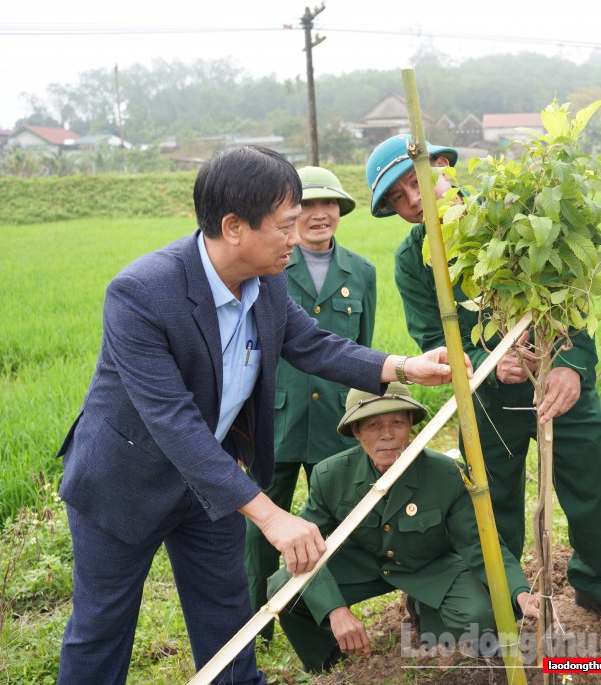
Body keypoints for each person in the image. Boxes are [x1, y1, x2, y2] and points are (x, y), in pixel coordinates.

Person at [55, 144, 461, 685]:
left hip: (212, 483)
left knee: (226, 618)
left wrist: (405, 366)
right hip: (124, 482)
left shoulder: (267, 282)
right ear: (234, 226)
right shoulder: (142, 294)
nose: (298, 238)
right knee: (102, 627)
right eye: (285, 225)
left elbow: (315, 344)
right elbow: (173, 421)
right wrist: (271, 515)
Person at [365, 134, 601, 625]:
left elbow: (575, 297)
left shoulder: (515, 217)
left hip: (561, 385)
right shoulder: (414, 259)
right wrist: (485, 360)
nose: (413, 201)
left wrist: (570, 365)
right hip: (489, 399)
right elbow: (433, 335)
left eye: (416, 182)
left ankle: (597, 583)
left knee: (592, 488)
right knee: (495, 501)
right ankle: (511, 592)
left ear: (445, 167)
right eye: (398, 198)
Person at [268, 383, 540, 673]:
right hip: (363, 566)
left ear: (410, 424)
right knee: (284, 587)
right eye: (373, 425)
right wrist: (336, 611)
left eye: (396, 422)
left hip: (429, 566)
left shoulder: (446, 474)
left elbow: (480, 545)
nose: (387, 434)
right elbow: (306, 548)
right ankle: (330, 659)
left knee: (480, 617)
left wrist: (520, 592)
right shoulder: (330, 475)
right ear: (357, 432)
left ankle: (425, 611)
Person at [243, 166, 377, 640]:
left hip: (335, 422)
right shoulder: (269, 266)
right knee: (263, 526)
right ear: (292, 215)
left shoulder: (362, 271)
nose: (321, 215)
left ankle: (327, 614)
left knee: (337, 524)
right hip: (277, 421)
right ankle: (257, 622)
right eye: (310, 207)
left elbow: (361, 349)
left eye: (330, 205)